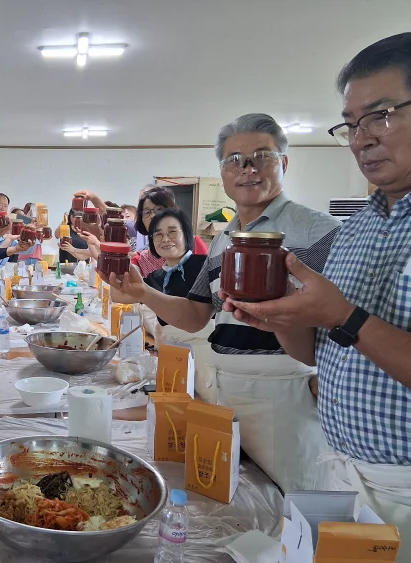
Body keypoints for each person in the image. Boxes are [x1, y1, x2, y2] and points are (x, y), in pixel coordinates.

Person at [224, 34, 411, 553]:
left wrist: (344, 316)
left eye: (381, 115)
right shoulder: (358, 229)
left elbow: (345, 322)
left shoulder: (321, 228)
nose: (361, 139)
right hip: (340, 471)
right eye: (352, 124)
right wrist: (281, 318)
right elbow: (317, 351)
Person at [110, 113, 342, 493]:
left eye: (261, 157)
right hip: (223, 393)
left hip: (284, 395)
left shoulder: (321, 233)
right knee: (237, 502)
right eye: (234, 160)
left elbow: (346, 321)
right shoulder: (224, 240)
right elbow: (197, 314)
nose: (247, 168)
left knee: (293, 502)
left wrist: (330, 379)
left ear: (283, 163)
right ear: (222, 172)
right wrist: (144, 294)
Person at [132, 187, 208, 277]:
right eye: (147, 212)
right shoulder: (141, 260)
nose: (153, 215)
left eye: (159, 209)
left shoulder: (195, 243)